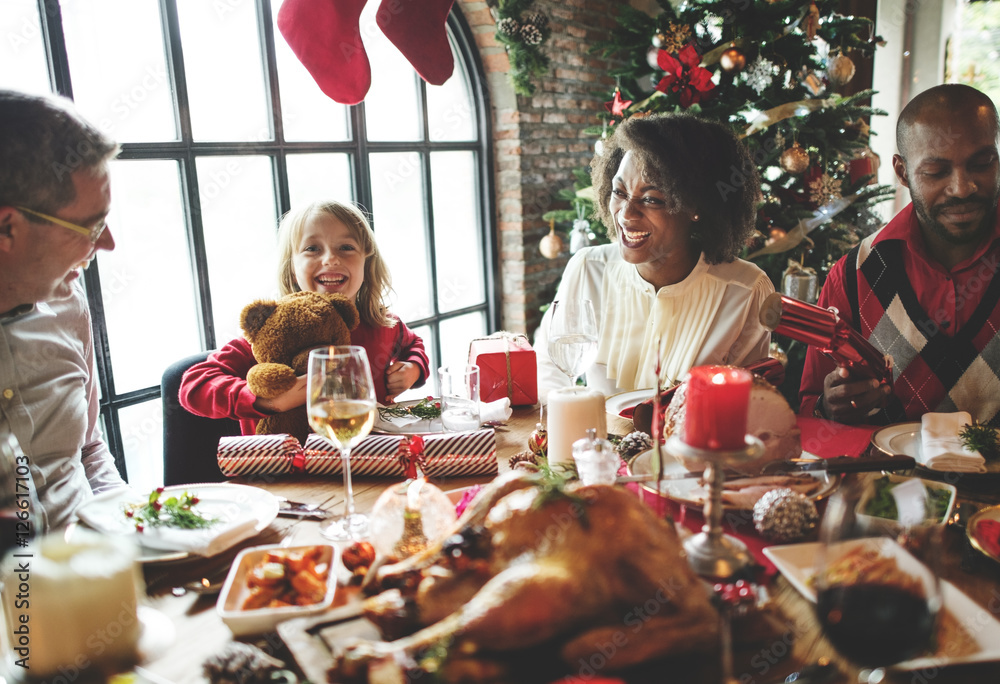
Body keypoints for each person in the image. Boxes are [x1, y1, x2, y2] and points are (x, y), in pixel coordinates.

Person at [799, 83, 1000, 426]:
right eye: (936, 172)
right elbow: (809, 411)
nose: (962, 187)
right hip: (889, 480)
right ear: (903, 172)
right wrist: (830, 407)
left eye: (982, 164)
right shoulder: (854, 275)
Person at [535, 113, 773, 401]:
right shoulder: (588, 268)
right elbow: (548, 368)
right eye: (619, 192)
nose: (626, 213)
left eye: (651, 199)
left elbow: (747, 406)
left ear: (697, 207)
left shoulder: (746, 292)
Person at [180, 200, 429, 436]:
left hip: (372, 466)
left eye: (346, 247)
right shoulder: (270, 333)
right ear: (292, 267)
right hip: (282, 477)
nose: (331, 259)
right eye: (312, 249)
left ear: (367, 261)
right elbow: (194, 386)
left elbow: (413, 345)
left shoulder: (383, 324)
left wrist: (413, 369)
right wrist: (268, 401)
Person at [0, 89, 126, 531]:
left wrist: (138, 535)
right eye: (90, 227)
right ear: (7, 227)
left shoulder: (69, 305)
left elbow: (89, 450)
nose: (107, 243)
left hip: (98, 574)